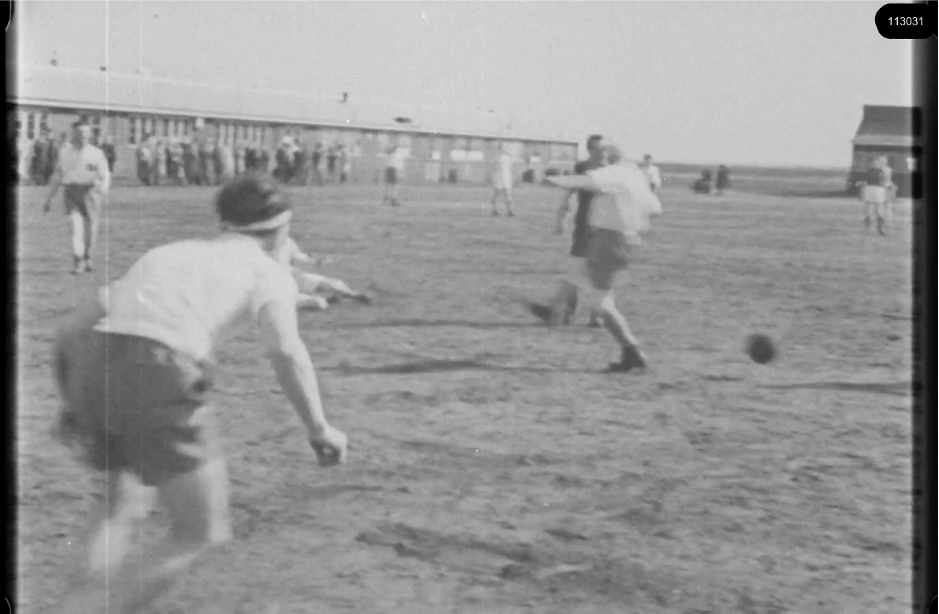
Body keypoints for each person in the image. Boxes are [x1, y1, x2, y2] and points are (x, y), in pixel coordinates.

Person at [50, 175, 348, 614]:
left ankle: (73, 605)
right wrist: (320, 428)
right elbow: (285, 350)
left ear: (225, 223)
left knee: (119, 504)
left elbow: (70, 330)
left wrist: (72, 400)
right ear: (283, 228)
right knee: (201, 531)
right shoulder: (269, 273)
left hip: (95, 362)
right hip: (160, 371)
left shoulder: (169, 253)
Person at [542, 143, 662, 372]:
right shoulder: (635, 175)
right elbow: (655, 209)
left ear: (611, 157)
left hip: (608, 240)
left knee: (602, 304)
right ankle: (554, 307)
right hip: (618, 240)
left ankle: (632, 351)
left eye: (602, 155)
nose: (598, 159)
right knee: (578, 274)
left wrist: (557, 181)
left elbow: (589, 181)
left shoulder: (616, 173)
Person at [529, 134, 607, 327]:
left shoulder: (611, 170)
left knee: (600, 273)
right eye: (599, 149)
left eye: (604, 149)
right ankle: (566, 314)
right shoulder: (582, 168)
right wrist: (560, 218)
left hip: (605, 227)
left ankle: (596, 316)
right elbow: (569, 192)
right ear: (590, 150)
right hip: (583, 226)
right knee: (576, 268)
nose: (603, 153)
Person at [43, 121, 111, 274]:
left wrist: (102, 188)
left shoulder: (96, 153)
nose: (83, 136)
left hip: (90, 194)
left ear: (90, 135)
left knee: (90, 231)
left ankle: (88, 256)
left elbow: (105, 175)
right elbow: (58, 176)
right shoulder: (65, 152)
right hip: (71, 193)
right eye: (79, 133)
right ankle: (78, 260)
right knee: (75, 227)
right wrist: (48, 199)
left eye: (86, 133)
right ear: (73, 134)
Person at [859, 156, 893, 235]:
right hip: (870, 190)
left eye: (877, 162)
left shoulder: (885, 171)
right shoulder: (869, 171)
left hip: (878, 190)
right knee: (868, 211)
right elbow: (864, 182)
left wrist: (889, 191)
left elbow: (887, 182)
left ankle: (880, 228)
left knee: (878, 211)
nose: (875, 163)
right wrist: (861, 192)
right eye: (874, 162)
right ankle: (868, 229)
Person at [490, 144, 516, 217]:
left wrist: (511, 177)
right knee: (496, 195)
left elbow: (511, 168)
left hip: (506, 178)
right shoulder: (496, 157)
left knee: (508, 195)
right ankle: (494, 210)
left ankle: (510, 211)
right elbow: (492, 167)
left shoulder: (508, 157)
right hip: (498, 178)